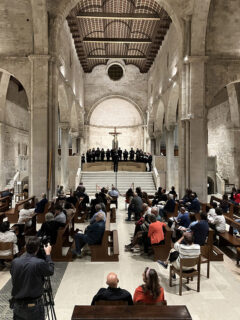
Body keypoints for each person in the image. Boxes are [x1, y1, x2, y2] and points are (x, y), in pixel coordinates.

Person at [10, 237, 54, 320]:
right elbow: (50, 271)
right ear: (38, 248)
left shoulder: (15, 261)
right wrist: (48, 254)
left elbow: (13, 274)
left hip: (17, 305)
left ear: (26, 247)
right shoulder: (39, 263)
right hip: (33, 306)